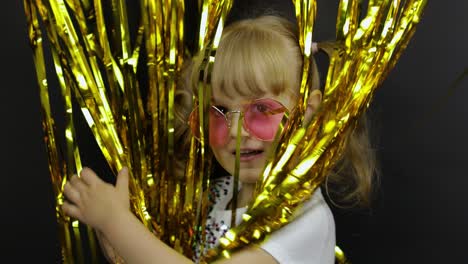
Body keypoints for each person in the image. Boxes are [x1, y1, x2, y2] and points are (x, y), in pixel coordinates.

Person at [62, 15, 377, 264]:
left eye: (261, 109)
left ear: (308, 113)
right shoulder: (219, 194)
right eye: (221, 110)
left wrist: (116, 221)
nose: (238, 130)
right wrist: (120, 245)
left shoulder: (305, 219)